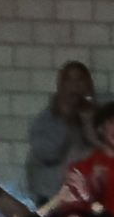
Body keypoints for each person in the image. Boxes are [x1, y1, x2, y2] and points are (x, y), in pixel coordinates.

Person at [24, 61, 99, 208]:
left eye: (80, 79)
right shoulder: (46, 118)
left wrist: (86, 119)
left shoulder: (98, 116)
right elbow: (47, 153)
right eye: (69, 80)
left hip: (88, 195)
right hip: (52, 195)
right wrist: (64, 117)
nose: (75, 85)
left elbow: (104, 149)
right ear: (61, 85)